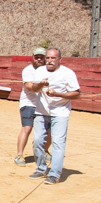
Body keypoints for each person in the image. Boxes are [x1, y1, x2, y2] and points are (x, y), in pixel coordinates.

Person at [26, 47, 81, 185]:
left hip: (60, 112)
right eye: (48, 58)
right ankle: (41, 168)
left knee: (57, 143)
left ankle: (54, 173)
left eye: (53, 58)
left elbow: (76, 94)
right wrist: (40, 84)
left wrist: (58, 94)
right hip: (41, 111)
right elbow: (33, 89)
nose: (50, 61)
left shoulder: (67, 73)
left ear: (59, 60)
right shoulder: (39, 71)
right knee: (38, 140)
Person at [15, 48, 47, 165]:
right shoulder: (28, 70)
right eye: (36, 57)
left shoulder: (49, 71)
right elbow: (29, 87)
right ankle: (19, 154)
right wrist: (42, 85)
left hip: (43, 105)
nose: (39, 59)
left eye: (41, 57)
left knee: (48, 130)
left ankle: (45, 151)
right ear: (33, 57)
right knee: (27, 128)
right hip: (28, 103)